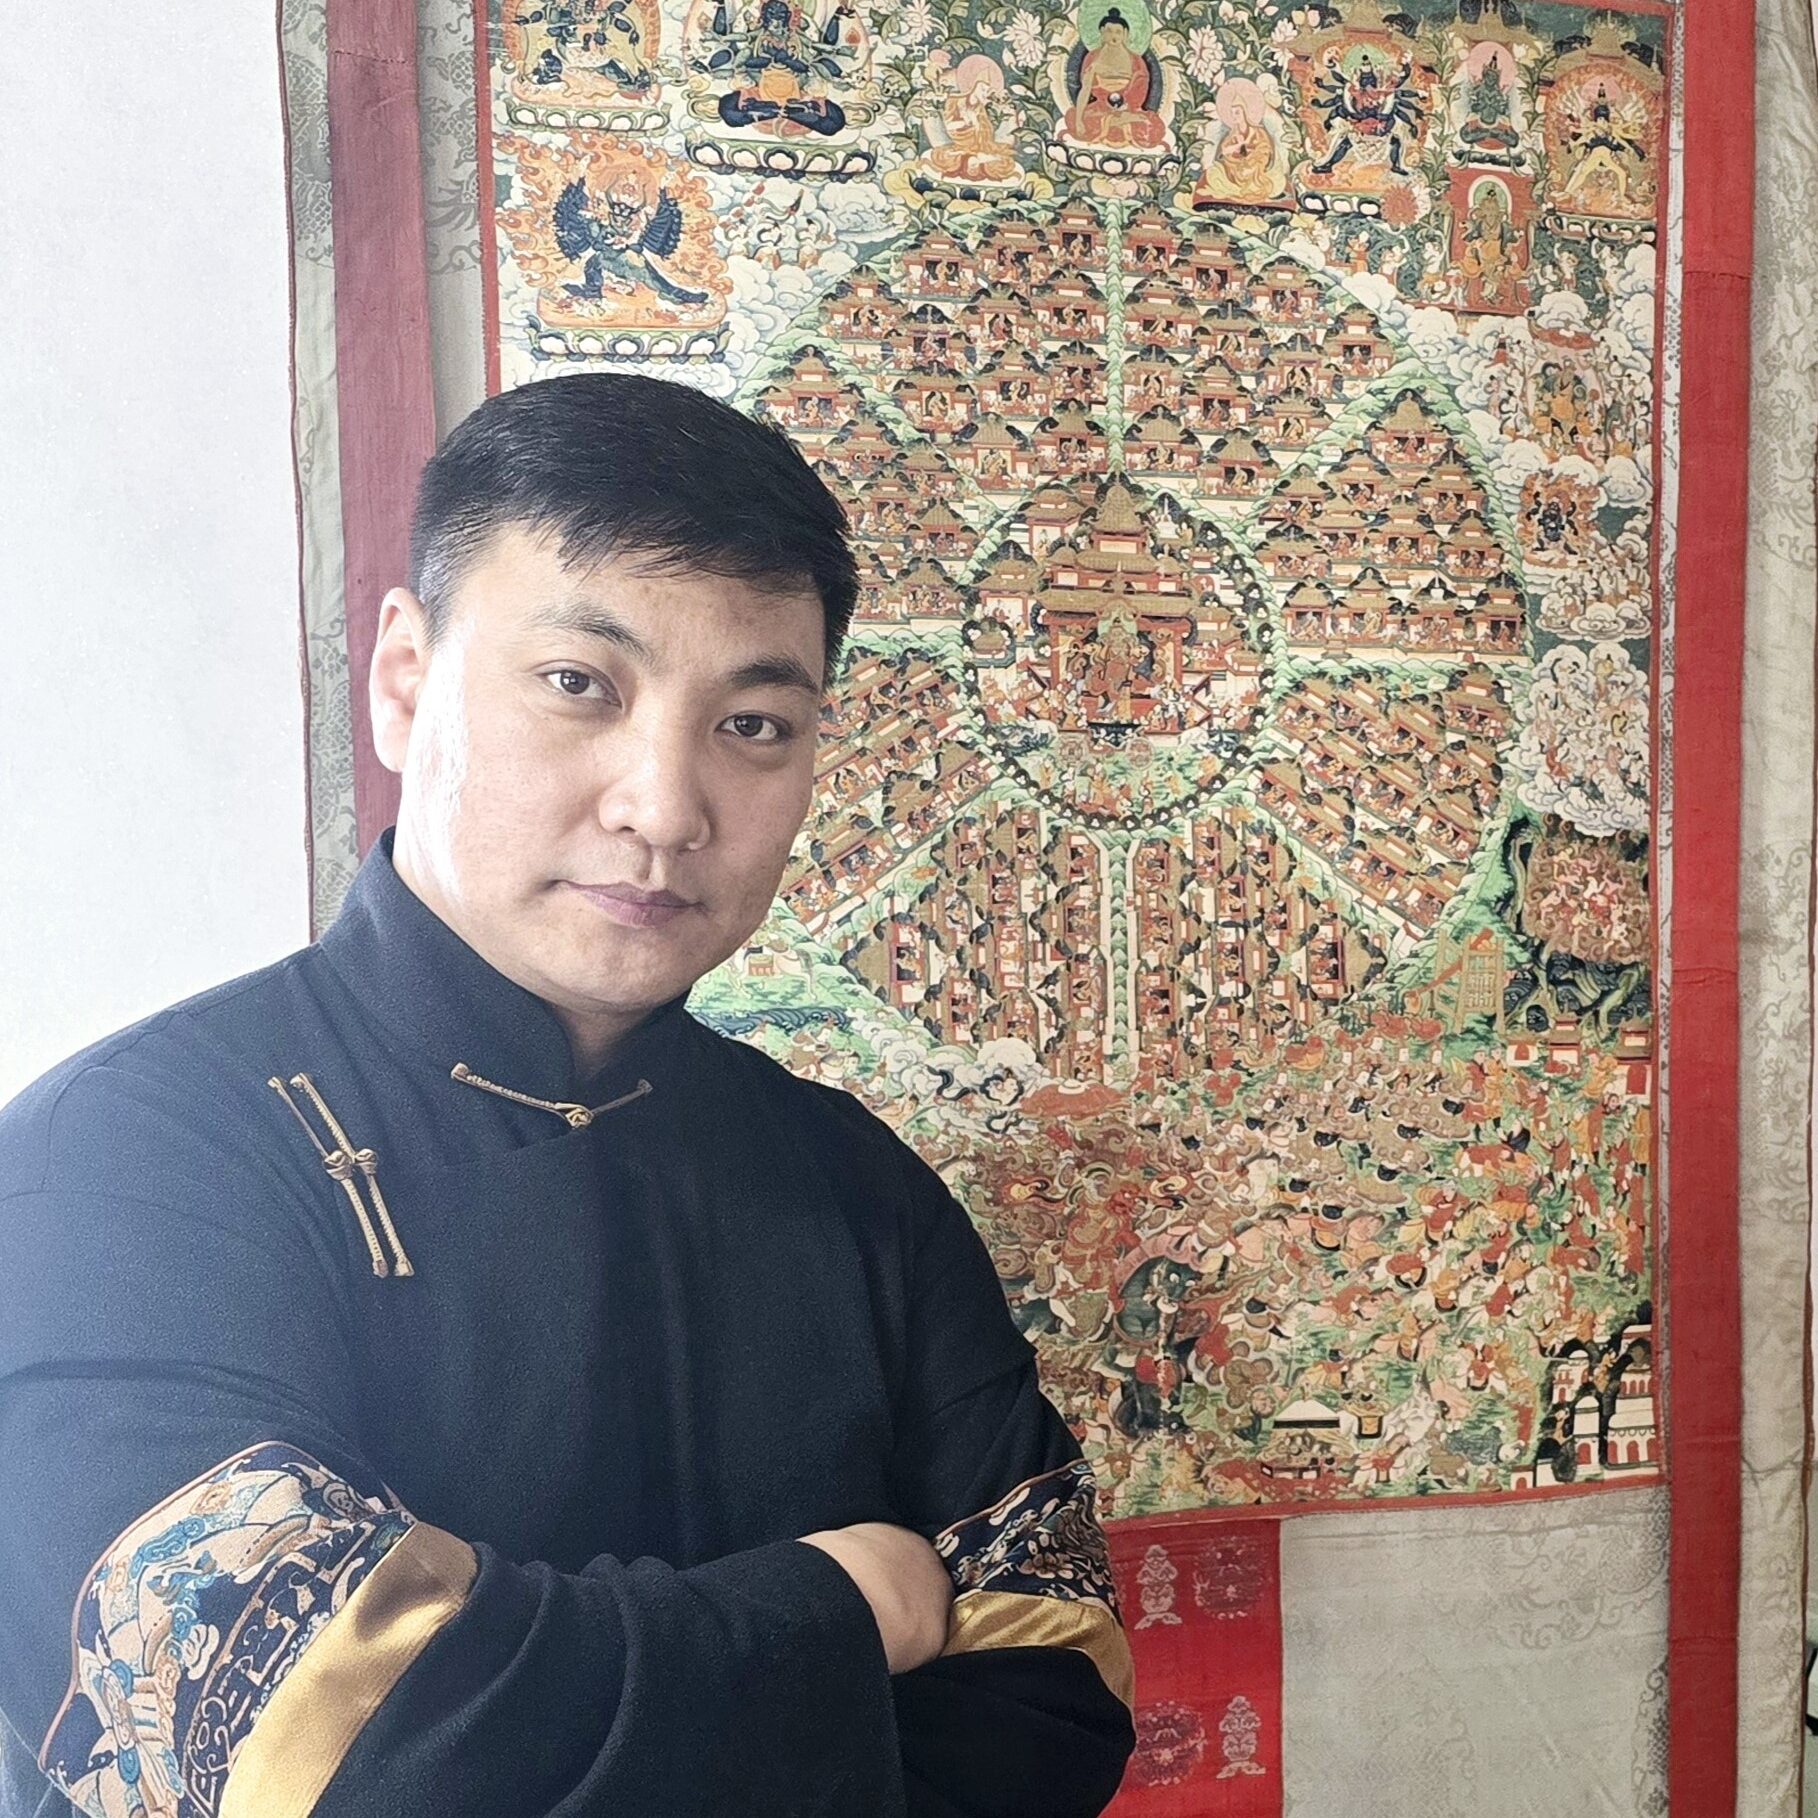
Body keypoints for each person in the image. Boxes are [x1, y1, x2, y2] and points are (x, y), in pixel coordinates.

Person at [0, 376, 1135, 1816]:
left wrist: (506, 1683)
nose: (664, 806)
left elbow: (1056, 1692)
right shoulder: (118, 1162)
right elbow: (317, 1753)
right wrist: (843, 1604)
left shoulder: (856, 1190)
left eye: (755, 724)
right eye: (579, 685)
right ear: (406, 680)